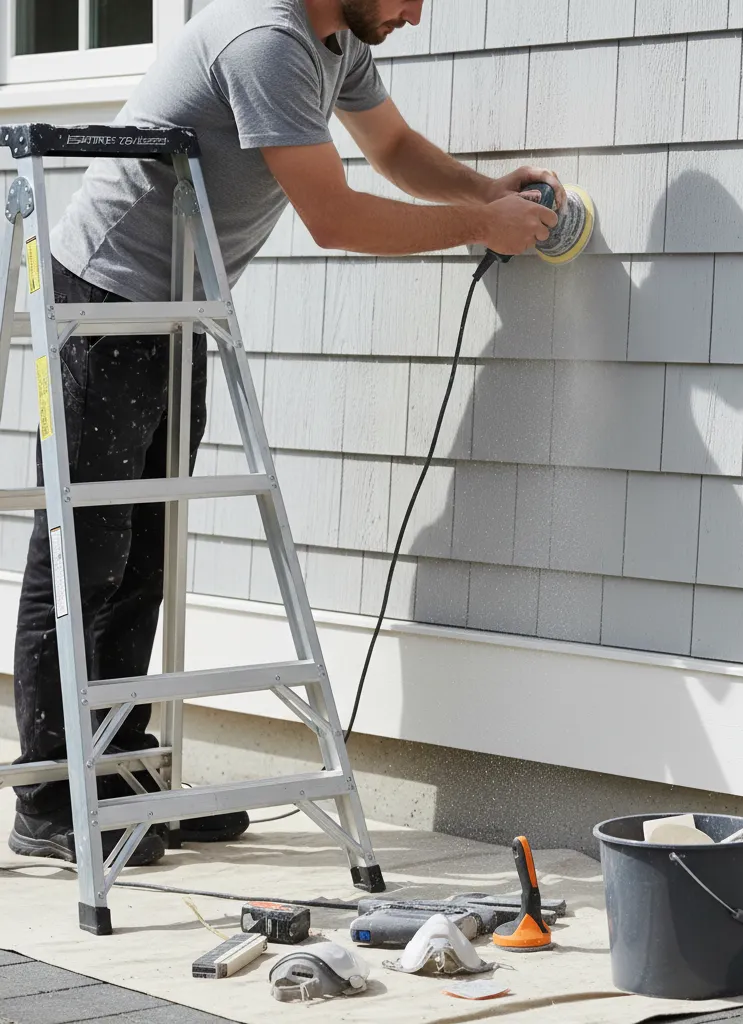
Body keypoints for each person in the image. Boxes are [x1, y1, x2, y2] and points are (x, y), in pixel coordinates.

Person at [10, 0, 561, 866]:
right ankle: (48, 798)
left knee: (148, 546)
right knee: (88, 543)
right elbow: (334, 218)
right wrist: (478, 226)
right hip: (103, 292)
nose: (418, 13)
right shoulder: (267, 39)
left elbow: (393, 149)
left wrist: (484, 192)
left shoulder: (336, 39)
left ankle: (114, 778)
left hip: (182, 299)